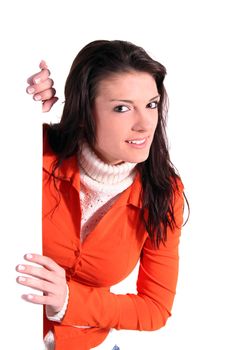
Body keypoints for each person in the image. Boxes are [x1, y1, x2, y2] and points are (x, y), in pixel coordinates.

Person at [16, 40, 187, 350]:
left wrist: (70, 300)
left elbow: (155, 308)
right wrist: (13, 109)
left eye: (151, 104)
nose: (145, 124)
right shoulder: (32, 150)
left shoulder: (165, 192)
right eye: (122, 108)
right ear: (83, 112)